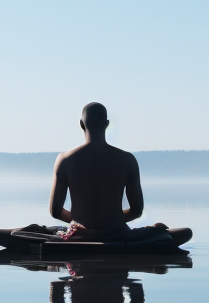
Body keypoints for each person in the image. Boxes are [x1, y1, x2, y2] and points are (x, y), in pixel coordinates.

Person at [49, 101, 147, 241]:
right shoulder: (127, 160)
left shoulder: (65, 160)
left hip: (80, 235)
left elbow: (55, 211)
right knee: (182, 232)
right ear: (106, 124)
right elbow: (137, 210)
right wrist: (111, 222)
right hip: (117, 234)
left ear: (81, 124)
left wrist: (82, 223)